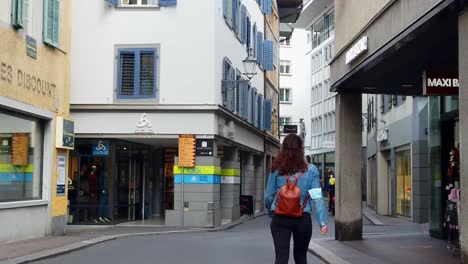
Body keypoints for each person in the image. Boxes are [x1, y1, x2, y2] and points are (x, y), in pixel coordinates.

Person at [265, 134, 328, 264]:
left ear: (284, 148)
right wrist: (323, 222)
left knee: (281, 257)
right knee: (300, 257)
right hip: (302, 218)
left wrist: (271, 211)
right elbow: (317, 198)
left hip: (280, 217)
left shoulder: (276, 168)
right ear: (301, 150)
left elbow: (268, 195)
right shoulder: (311, 170)